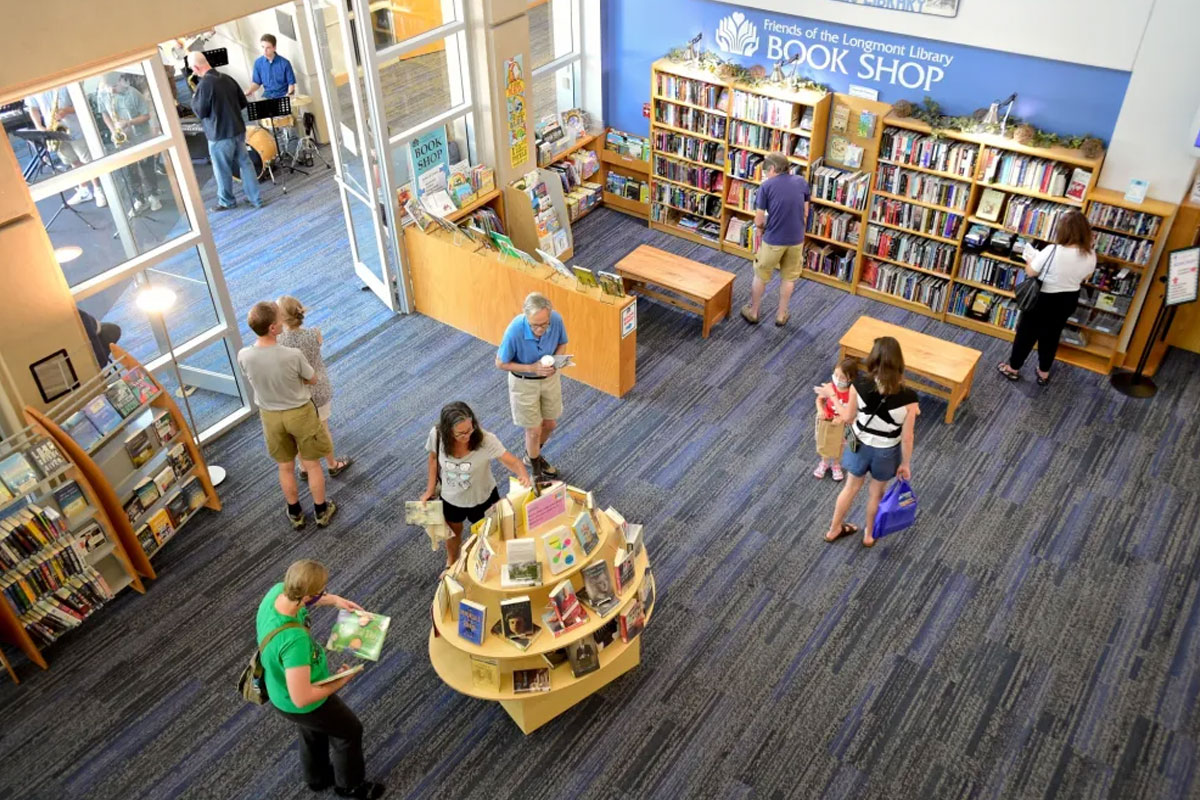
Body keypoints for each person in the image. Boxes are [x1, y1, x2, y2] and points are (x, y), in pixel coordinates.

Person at [256, 560, 385, 800]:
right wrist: (340, 681)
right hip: (300, 699)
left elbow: (307, 599)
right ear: (306, 596)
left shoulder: (277, 592)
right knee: (349, 730)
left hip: (280, 689)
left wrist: (335, 601)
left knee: (312, 729)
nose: (324, 593)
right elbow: (302, 698)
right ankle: (349, 786)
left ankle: (317, 778)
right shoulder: (294, 641)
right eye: (322, 591)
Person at [237, 301, 337, 530]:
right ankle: (321, 510)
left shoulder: (244, 355)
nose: (282, 321)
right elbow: (312, 379)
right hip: (299, 413)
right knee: (312, 465)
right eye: (279, 318)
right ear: (273, 328)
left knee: (285, 467)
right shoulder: (292, 355)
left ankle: (295, 513)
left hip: (270, 416)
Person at [817, 336, 918, 548]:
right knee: (876, 493)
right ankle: (869, 535)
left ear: (873, 359)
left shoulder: (859, 385)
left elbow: (847, 417)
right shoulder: (909, 397)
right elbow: (907, 437)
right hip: (886, 451)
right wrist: (905, 464)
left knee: (850, 487)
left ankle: (834, 529)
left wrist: (831, 396)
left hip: (859, 445)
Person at [418, 402, 531, 567]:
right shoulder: (437, 435)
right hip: (451, 499)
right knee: (452, 533)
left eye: (469, 429)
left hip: (483, 498)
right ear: (447, 430)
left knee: (489, 534)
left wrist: (524, 476)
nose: (467, 436)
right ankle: (452, 561)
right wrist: (430, 489)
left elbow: (513, 461)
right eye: (460, 433)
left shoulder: (485, 440)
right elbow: (433, 459)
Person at [997, 209, 1097, 386]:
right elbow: (1086, 276)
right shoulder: (1090, 254)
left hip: (1043, 298)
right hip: (1069, 299)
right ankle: (1044, 372)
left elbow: (1031, 272)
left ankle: (1013, 368)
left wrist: (1030, 260)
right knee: (1051, 336)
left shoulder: (1053, 250)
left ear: (1063, 230)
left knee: (1026, 334)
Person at [276, 295, 353, 479]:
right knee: (323, 428)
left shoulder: (278, 342)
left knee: (299, 434)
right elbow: (317, 347)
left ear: (280, 318)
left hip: (296, 394)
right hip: (319, 389)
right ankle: (332, 464)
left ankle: (303, 468)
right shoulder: (314, 334)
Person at [495, 293, 568, 480]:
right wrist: (531, 368)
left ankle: (531, 456)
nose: (540, 329)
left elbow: (562, 343)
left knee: (550, 424)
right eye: (535, 325)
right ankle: (536, 471)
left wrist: (556, 361)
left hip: (549, 378)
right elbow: (500, 363)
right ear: (526, 317)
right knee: (534, 431)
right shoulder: (514, 330)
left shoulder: (556, 319)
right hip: (524, 383)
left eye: (544, 324)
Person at [188, 51, 263, 213]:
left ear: (196, 67)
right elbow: (242, 103)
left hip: (219, 135)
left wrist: (194, 98)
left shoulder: (204, 85)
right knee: (245, 164)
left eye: (192, 69)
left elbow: (200, 112)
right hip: (238, 129)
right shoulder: (227, 78)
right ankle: (255, 199)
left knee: (222, 169)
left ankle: (227, 201)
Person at [742, 151, 810, 327]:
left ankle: (753, 311)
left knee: (761, 274)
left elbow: (759, 220)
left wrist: (760, 229)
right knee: (789, 277)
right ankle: (781, 314)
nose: (766, 175)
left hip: (774, 240)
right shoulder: (802, 182)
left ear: (772, 168)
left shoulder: (766, 186)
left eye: (766, 172)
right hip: (796, 239)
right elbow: (805, 213)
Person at [24, 88, 106, 207]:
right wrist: (39, 126)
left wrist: (66, 111)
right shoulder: (33, 86)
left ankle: (98, 189)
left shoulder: (64, 83)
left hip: (75, 127)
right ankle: (84, 190)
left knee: (88, 162)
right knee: (73, 161)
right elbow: (33, 108)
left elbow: (82, 103)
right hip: (55, 130)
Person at [101, 73, 161, 213]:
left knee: (147, 167)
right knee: (129, 170)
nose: (111, 90)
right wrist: (114, 130)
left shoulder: (134, 93)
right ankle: (139, 198)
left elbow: (146, 115)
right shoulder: (103, 94)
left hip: (141, 135)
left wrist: (129, 122)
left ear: (120, 81)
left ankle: (153, 196)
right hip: (123, 138)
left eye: (113, 86)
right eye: (107, 87)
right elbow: (105, 114)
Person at [813, 357, 860, 482]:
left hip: (843, 425)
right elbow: (819, 400)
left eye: (842, 377)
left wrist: (841, 418)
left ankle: (836, 465)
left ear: (851, 379)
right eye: (836, 375)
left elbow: (853, 412)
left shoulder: (852, 393)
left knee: (840, 445)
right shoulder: (830, 387)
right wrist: (821, 410)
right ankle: (824, 463)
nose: (838, 379)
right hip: (828, 421)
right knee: (826, 442)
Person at [247, 34, 297, 100]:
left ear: (274, 48)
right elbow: (257, 83)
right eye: (263, 47)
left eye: (268, 48)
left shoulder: (285, 63)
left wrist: (289, 97)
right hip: (267, 97)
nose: (264, 50)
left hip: (283, 97)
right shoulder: (258, 63)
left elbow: (291, 84)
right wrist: (249, 91)